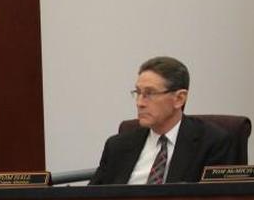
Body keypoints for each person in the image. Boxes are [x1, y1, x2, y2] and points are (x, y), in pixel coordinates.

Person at [90, 56, 236, 185]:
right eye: (138, 93)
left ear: (179, 99)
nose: (139, 103)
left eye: (149, 94)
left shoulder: (212, 143)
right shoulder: (118, 146)